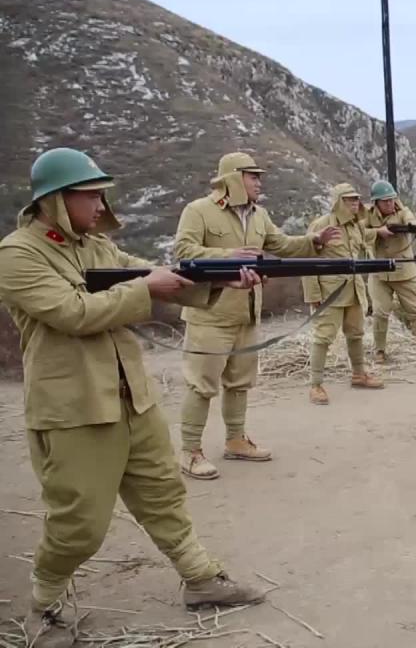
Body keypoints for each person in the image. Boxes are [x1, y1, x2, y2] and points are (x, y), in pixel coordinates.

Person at [0, 148, 266, 647]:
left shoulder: (97, 247)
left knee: (163, 494)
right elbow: (74, 312)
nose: (101, 205)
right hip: (75, 410)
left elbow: (154, 277)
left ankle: (200, 577)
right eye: (91, 194)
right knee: (79, 521)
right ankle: (44, 605)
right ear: (57, 200)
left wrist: (221, 278)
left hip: (130, 398)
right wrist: (147, 287)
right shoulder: (18, 253)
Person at [172, 152, 339, 480]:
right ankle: (190, 450)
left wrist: (314, 241)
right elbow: (184, 251)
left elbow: (282, 245)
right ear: (234, 177)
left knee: (240, 382)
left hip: (247, 313)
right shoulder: (198, 211)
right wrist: (227, 255)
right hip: (210, 313)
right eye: (253, 176)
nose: (259, 182)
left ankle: (236, 440)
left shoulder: (259, 215)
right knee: (201, 384)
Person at [303, 183, 387, 405]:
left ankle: (359, 374)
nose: (355, 203)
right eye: (349, 199)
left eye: (356, 199)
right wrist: (312, 294)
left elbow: (365, 247)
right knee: (323, 337)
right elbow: (307, 260)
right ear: (338, 201)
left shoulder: (356, 226)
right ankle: (316, 385)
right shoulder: (322, 225)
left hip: (354, 290)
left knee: (356, 333)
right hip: (330, 292)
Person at [365, 179, 416, 364]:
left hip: (404, 271)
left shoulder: (402, 211)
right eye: (385, 201)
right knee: (380, 312)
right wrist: (378, 232)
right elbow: (357, 231)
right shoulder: (367, 215)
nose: (390, 204)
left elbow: (412, 221)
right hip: (379, 272)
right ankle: (380, 352)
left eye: (392, 199)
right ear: (376, 202)